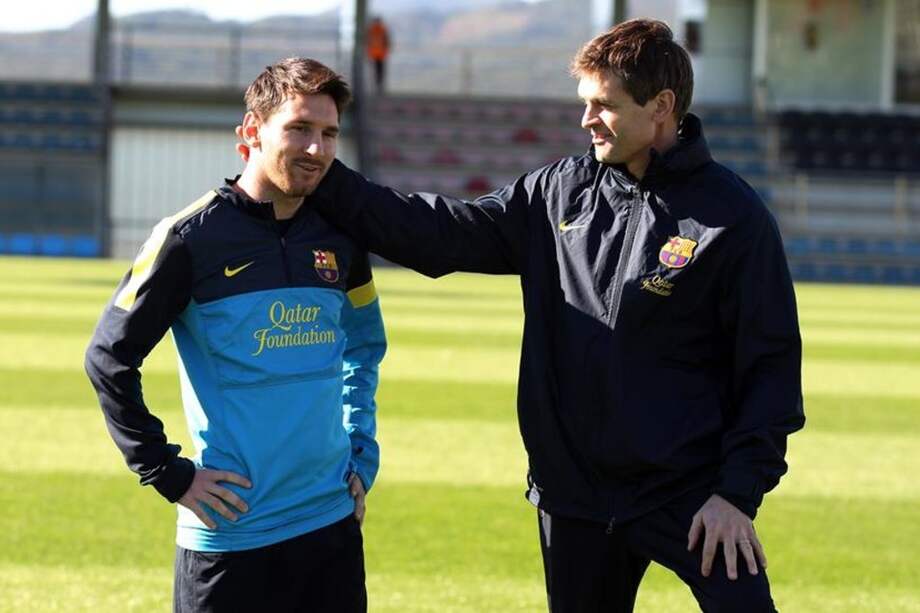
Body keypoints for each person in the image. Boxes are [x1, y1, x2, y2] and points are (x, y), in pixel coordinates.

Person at [241, 20, 803, 613]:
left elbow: (769, 366)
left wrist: (736, 495)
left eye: (604, 105)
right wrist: (323, 174)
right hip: (576, 497)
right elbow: (443, 236)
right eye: (585, 103)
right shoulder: (558, 193)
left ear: (661, 106)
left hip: (688, 492)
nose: (586, 119)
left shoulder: (732, 218)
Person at [85, 57, 386, 613]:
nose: (316, 150)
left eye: (328, 134)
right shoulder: (187, 238)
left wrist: (361, 453)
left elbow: (365, 346)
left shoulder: (341, 238)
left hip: (329, 525)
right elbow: (108, 357)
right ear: (251, 131)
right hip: (230, 537)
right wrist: (166, 471)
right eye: (299, 128)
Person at [366, 16, 391, 94]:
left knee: (375, 71)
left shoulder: (371, 30)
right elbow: (387, 42)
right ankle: (378, 87)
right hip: (380, 54)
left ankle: (375, 87)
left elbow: (367, 42)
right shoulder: (383, 30)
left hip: (374, 54)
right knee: (380, 72)